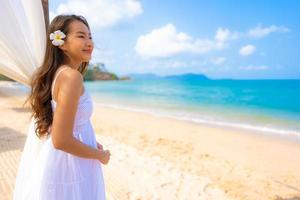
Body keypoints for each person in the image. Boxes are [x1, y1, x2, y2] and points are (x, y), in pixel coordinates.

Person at [13, 14, 110, 200]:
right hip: (71, 167)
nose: (89, 42)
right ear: (61, 43)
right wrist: (101, 154)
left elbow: (63, 124)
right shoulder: (71, 77)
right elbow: (61, 140)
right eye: (81, 36)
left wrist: (89, 141)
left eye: (90, 36)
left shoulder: (58, 74)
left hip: (70, 161)